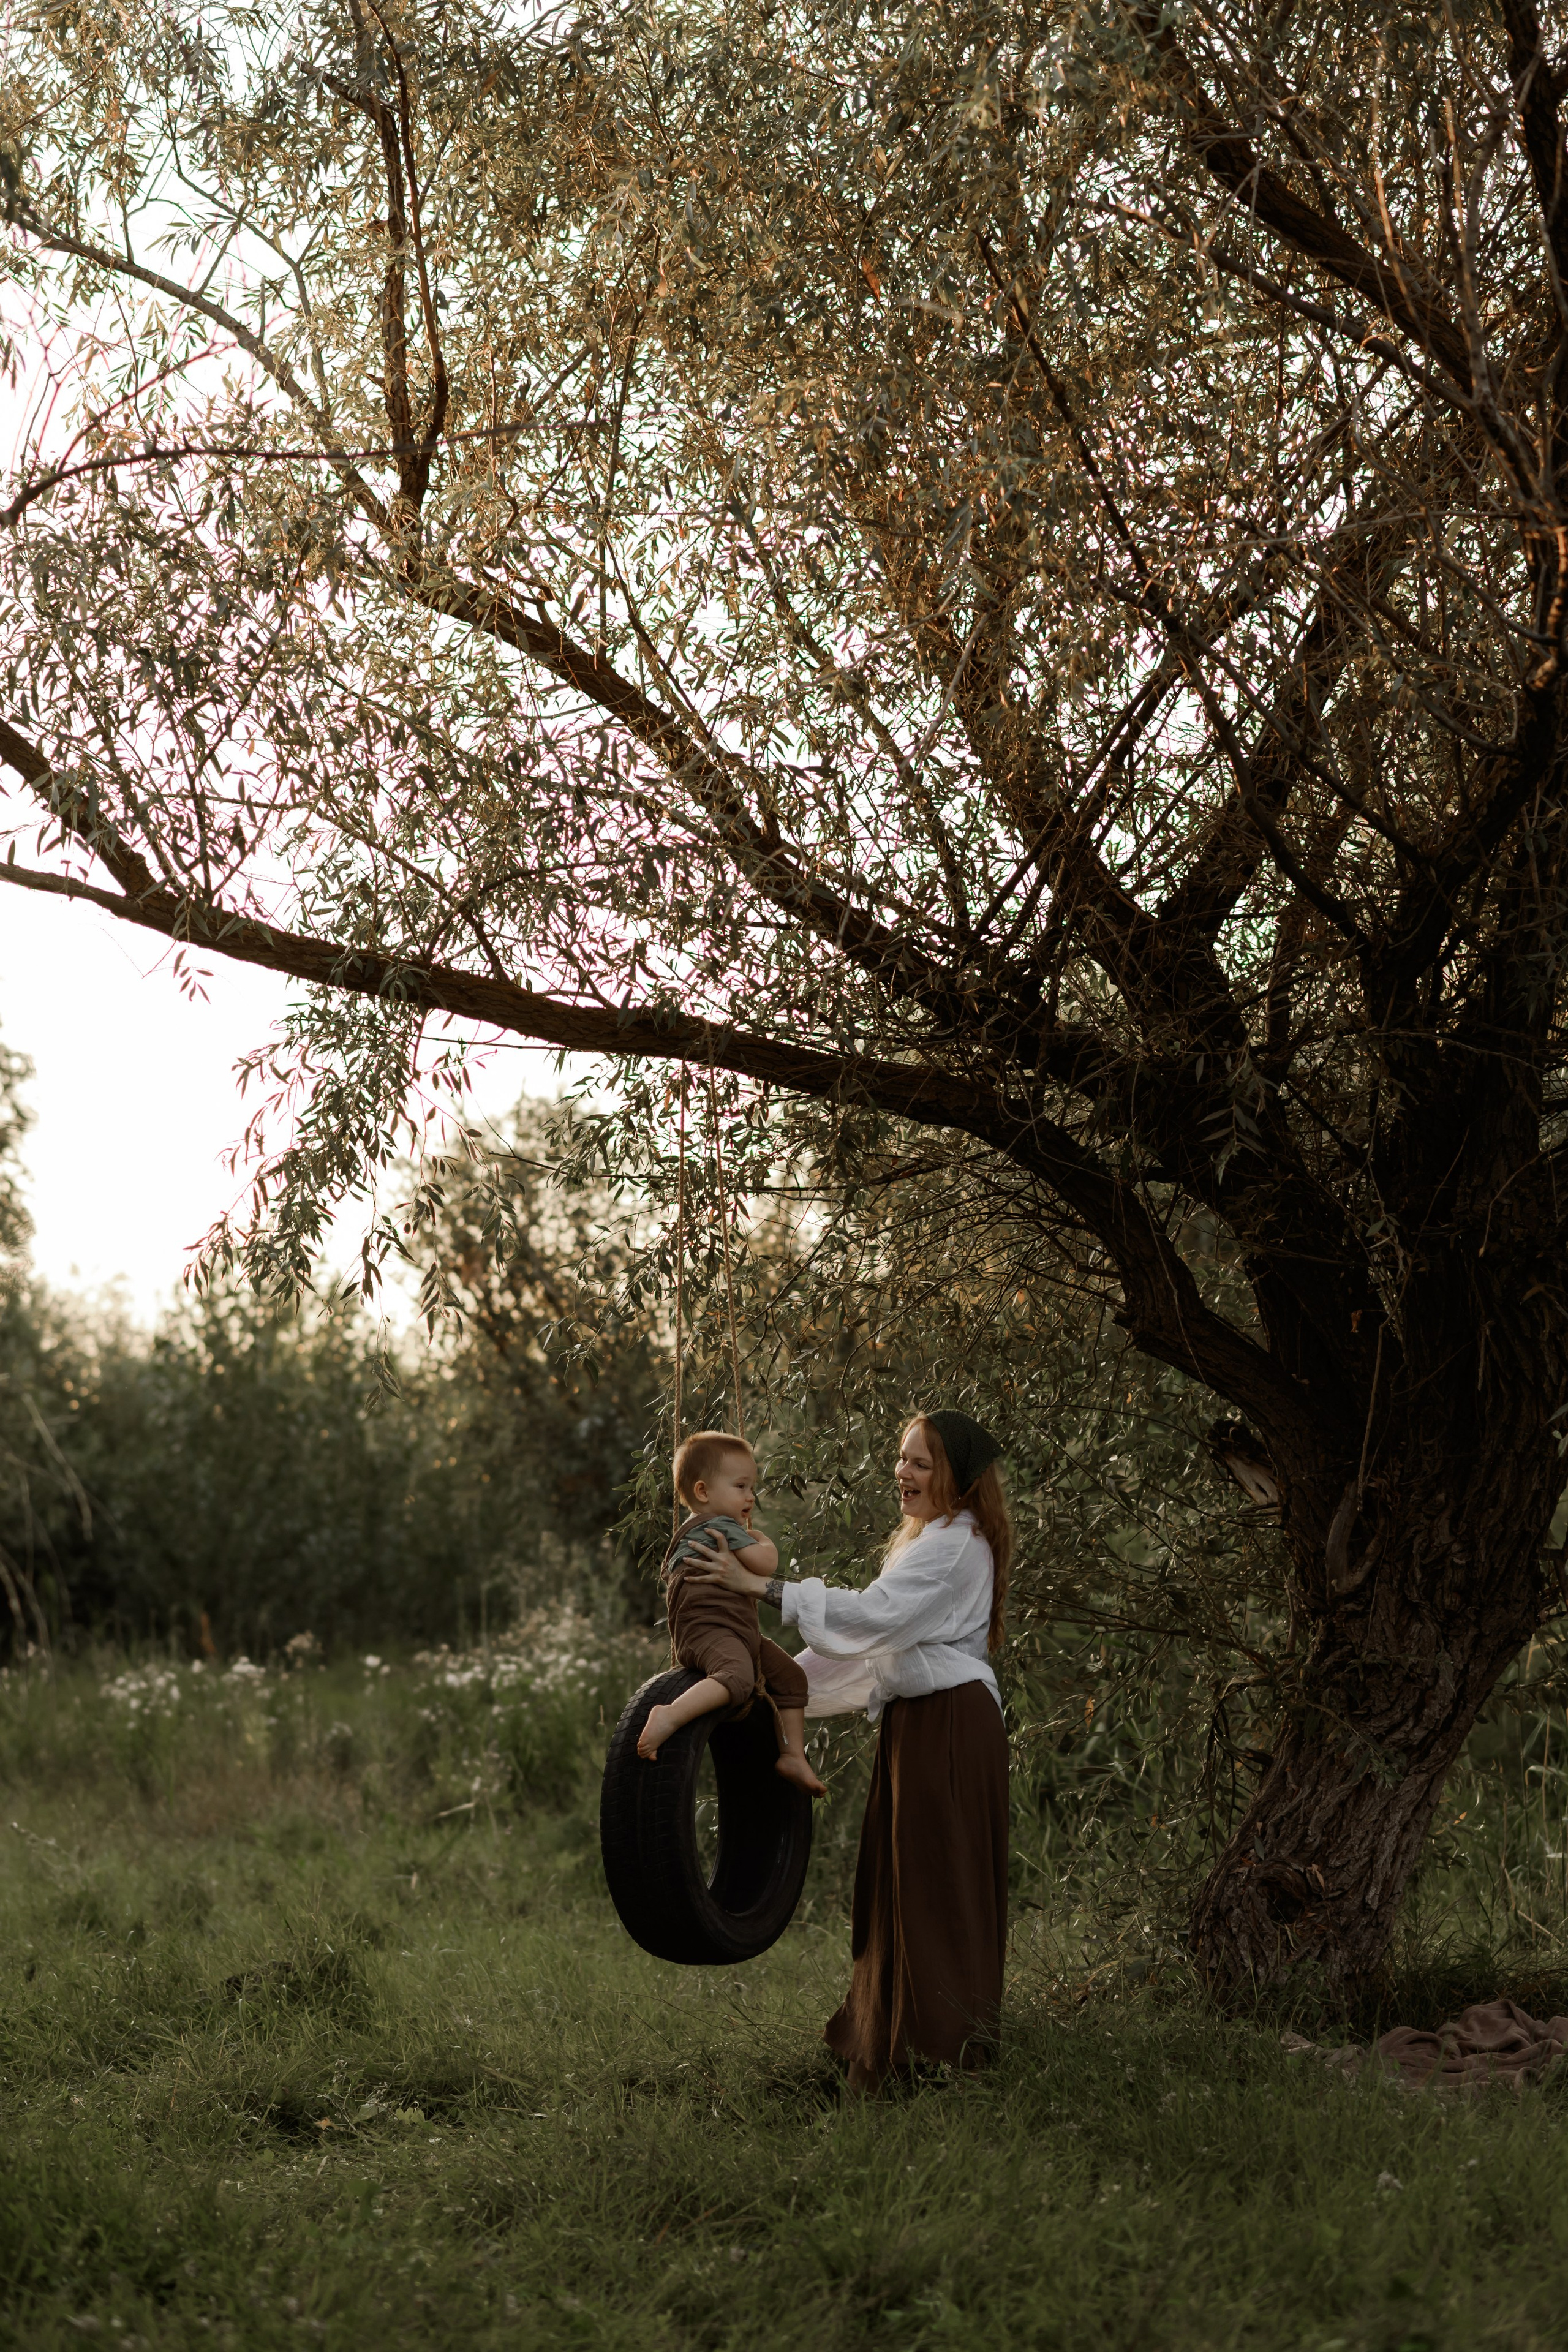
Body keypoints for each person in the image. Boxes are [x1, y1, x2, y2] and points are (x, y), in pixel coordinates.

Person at [684, 1408, 1010, 2094]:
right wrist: (772, 1694)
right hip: (923, 1724)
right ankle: (896, 2051)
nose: (902, 1472)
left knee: (937, 1886)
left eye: (920, 1462)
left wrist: (761, 1587)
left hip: (949, 1726)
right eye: (902, 1457)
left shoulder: (954, 1547)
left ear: (955, 1477)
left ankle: (947, 2059)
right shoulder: (932, 1540)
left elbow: (870, 1618)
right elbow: (872, 1648)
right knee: (903, 1886)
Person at [636, 1429, 826, 1797]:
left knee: (791, 1679)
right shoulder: (719, 1527)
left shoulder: (692, 1534)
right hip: (711, 1631)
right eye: (740, 1486)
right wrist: (764, 1541)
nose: (751, 1496)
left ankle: (792, 1756)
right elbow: (766, 1565)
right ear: (703, 1492)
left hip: (734, 1632)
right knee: (738, 1679)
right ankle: (670, 1714)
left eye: (752, 1487)